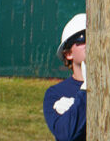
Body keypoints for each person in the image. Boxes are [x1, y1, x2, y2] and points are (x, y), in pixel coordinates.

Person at [43, 13, 87, 141]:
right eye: (82, 37)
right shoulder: (55, 94)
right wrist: (85, 91)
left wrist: (73, 109)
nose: (90, 42)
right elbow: (65, 135)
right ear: (68, 54)